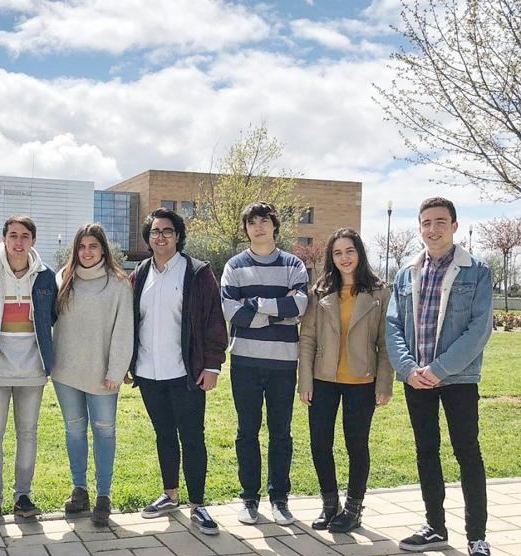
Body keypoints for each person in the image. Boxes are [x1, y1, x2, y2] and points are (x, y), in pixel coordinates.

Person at [386, 197, 496, 556]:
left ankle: (477, 537)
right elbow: (393, 326)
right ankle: (435, 526)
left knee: (468, 453)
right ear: (419, 227)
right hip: (417, 380)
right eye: (426, 222)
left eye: (440, 222)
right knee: (426, 451)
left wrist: (440, 368)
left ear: (454, 225)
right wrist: (408, 369)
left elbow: (479, 330)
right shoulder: (406, 273)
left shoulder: (477, 271)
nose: (432, 229)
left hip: (458, 379)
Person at [128, 207, 228, 536]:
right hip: (148, 372)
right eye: (155, 232)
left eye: (167, 231)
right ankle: (170, 494)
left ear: (178, 236)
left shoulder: (197, 272)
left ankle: (198, 505)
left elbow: (214, 321)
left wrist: (212, 366)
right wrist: (128, 364)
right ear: (148, 237)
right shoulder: (140, 273)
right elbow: (131, 322)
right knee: (164, 435)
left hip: (186, 373)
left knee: (193, 437)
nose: (160, 236)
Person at [0, 216, 57, 527]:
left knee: (28, 434)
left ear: (33, 241)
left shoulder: (46, 278)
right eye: (13, 235)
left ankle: (23, 497)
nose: (19, 242)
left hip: (33, 369)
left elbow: (53, 317)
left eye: (25, 236)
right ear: (3, 239)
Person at [298, 228, 392, 533]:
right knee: (320, 443)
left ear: (359, 253)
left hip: (362, 381)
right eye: (337, 253)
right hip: (323, 379)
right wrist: (305, 381)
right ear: (331, 257)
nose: (344, 258)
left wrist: (384, 384)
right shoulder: (320, 291)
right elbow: (308, 337)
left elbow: (386, 341)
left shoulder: (379, 292)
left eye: (349, 251)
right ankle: (330, 505)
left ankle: (353, 508)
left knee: (356, 444)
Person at [220, 202, 308, 527]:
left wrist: (256, 305)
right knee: (247, 431)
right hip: (244, 362)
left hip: (284, 364)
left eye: (264, 221)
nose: (258, 227)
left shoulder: (293, 264)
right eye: (252, 223)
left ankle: (280, 499)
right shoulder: (234, 266)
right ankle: (249, 498)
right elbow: (231, 310)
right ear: (246, 229)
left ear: (274, 225)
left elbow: (299, 306)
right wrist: (275, 314)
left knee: (281, 433)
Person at [52, 223, 133, 526]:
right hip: (65, 371)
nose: (87, 252)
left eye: (93, 246)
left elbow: (124, 330)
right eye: (82, 247)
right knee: (74, 430)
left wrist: (116, 370)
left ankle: (104, 495)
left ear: (103, 249)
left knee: (104, 431)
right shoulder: (63, 279)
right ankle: (80, 490)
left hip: (103, 375)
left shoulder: (118, 284)